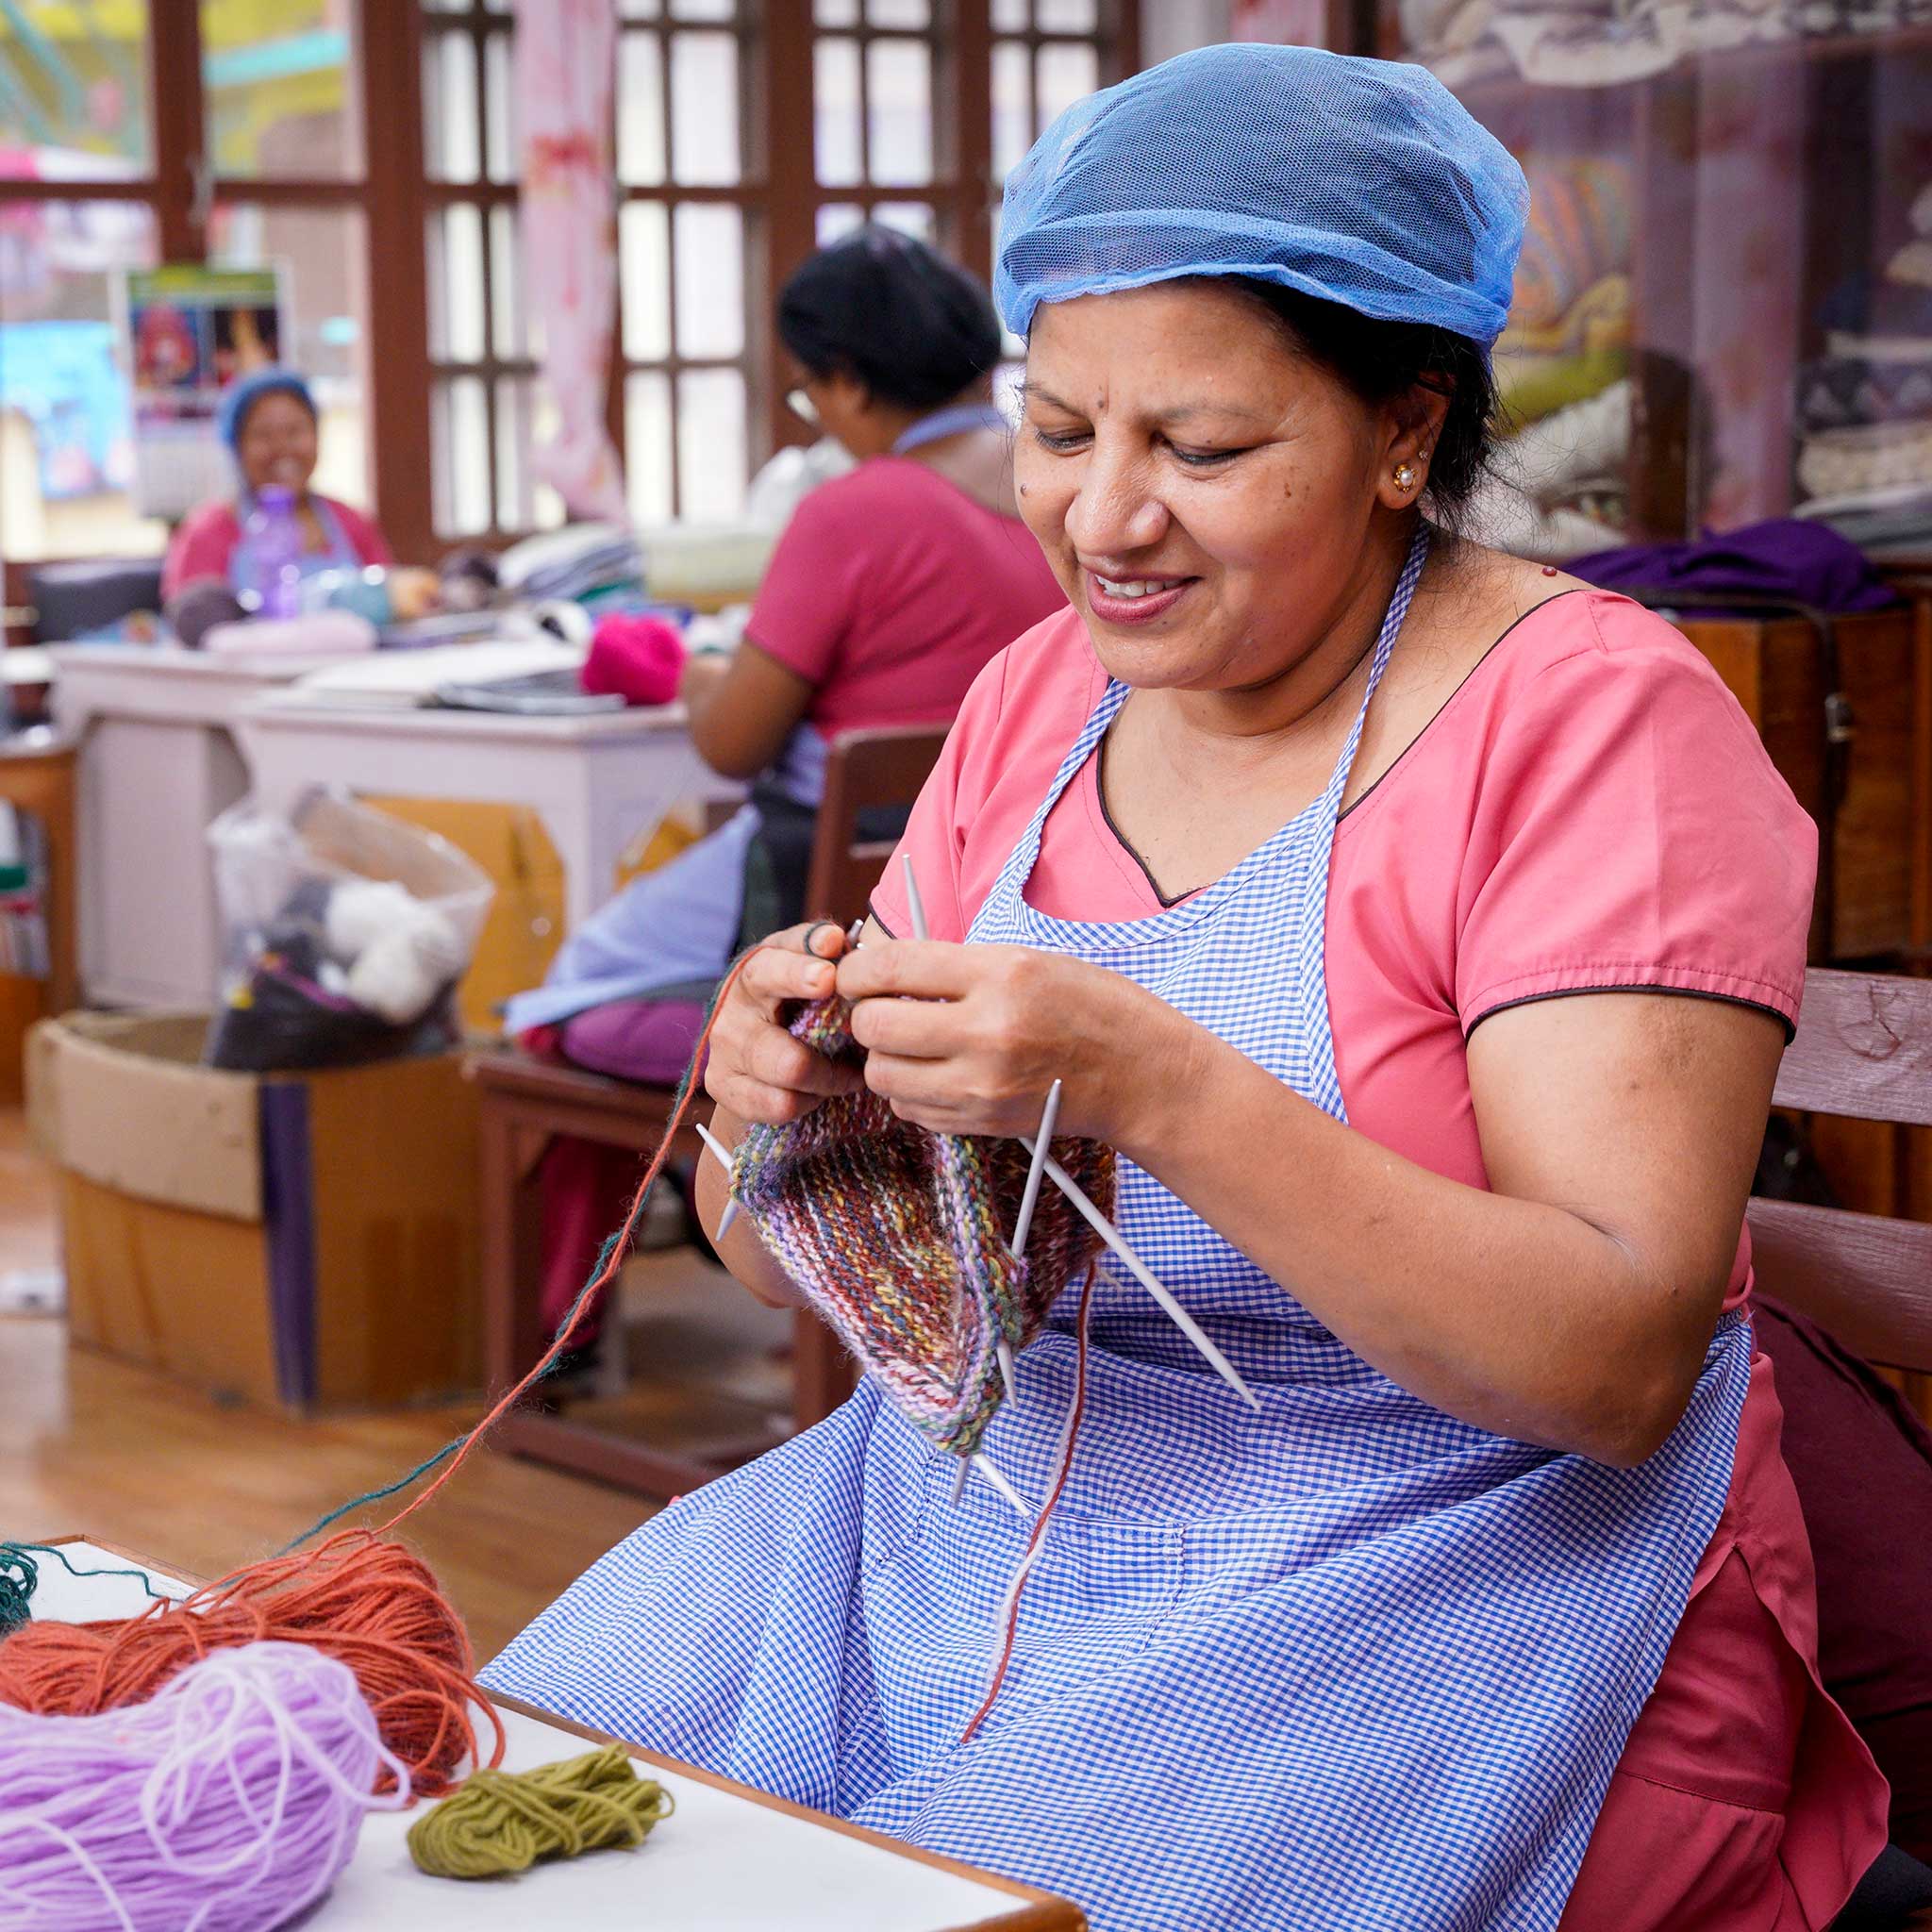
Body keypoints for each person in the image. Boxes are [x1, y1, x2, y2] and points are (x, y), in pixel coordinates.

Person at [481, 47, 1889, 1932]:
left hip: (1456, 1570)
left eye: (1200, 451)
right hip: (980, 1526)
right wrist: (782, 1125)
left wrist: (1156, 1083)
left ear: (1405, 429)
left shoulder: (1591, 722)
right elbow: (801, 1276)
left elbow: (1610, 1365)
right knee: (533, 1807)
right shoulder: (1037, 698)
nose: (1104, 521)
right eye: (1059, 434)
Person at [508, 225, 1063, 1342]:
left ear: (849, 384)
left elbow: (730, 741)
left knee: (563, 998)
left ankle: (572, 1315)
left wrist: (697, 667)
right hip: (995, 912)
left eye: (812, 396)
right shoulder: (1056, 489)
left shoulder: (857, 511)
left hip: (833, 915)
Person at [160, 366, 392, 605]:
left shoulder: (352, 524)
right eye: (263, 434)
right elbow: (189, 621)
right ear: (237, 446)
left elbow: (393, 603)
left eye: (295, 431)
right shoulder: (207, 532)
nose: (282, 447)